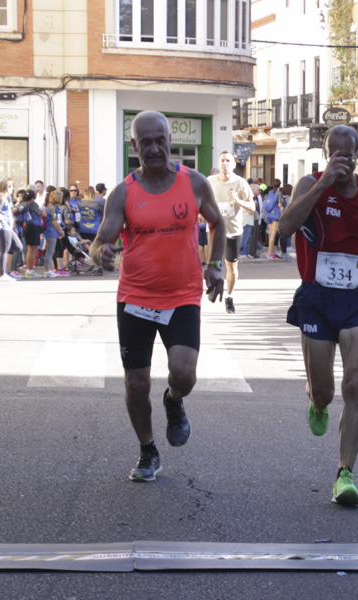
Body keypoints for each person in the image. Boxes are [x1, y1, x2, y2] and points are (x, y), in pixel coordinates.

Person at [90, 110, 227, 482]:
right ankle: (148, 451)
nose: (154, 148)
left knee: (183, 374)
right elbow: (102, 239)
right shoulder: (123, 192)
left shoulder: (195, 183)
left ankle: (173, 400)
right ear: (134, 146)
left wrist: (215, 264)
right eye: (145, 142)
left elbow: (218, 222)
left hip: (182, 294)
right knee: (136, 382)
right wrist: (99, 252)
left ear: (170, 140)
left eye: (159, 140)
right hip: (135, 296)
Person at [278, 124, 358, 506]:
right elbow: (285, 228)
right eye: (335, 154)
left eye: (348, 155)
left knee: (354, 385)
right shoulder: (308, 184)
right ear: (326, 154)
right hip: (316, 297)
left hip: (357, 297)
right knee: (325, 391)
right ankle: (316, 401)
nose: (342, 161)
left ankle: (344, 473)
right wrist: (321, 187)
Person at [208, 151, 255, 313]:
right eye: (222, 160)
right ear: (218, 163)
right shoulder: (210, 181)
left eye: (228, 161)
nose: (225, 163)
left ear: (234, 164)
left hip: (233, 230)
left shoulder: (240, 183)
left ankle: (229, 296)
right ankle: (213, 285)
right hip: (214, 230)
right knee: (213, 262)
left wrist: (238, 200)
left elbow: (252, 207)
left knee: (231, 266)